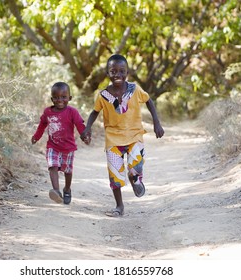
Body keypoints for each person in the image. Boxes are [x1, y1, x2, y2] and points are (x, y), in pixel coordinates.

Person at [80, 54, 164, 217]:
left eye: (121, 71)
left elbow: (149, 101)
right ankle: (119, 206)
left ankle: (136, 180)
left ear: (128, 72)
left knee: (134, 167)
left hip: (134, 136)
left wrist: (156, 122)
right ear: (107, 73)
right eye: (113, 71)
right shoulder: (103, 95)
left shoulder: (135, 89)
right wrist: (87, 128)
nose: (117, 74)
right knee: (115, 175)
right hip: (113, 139)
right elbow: (94, 112)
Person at [32, 82, 90, 205]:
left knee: (67, 171)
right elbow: (42, 125)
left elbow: (80, 125)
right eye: (56, 97)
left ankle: (67, 189)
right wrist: (36, 136)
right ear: (52, 99)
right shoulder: (48, 112)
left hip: (68, 148)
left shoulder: (72, 111)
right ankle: (56, 191)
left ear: (70, 98)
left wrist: (84, 136)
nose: (60, 100)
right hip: (53, 146)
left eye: (64, 97)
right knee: (52, 166)